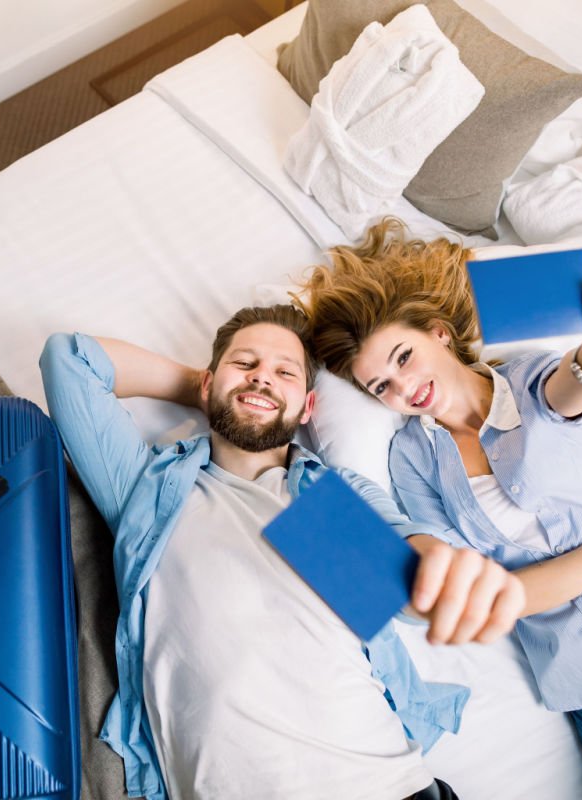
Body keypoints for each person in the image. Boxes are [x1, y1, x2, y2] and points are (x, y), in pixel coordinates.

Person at [39, 304, 524, 800]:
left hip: (384, 786)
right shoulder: (147, 491)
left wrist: (438, 573)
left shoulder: (320, 498)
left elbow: (406, 581)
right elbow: (70, 361)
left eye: (284, 373)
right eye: (244, 363)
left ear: (309, 408)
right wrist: (218, 392)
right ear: (207, 385)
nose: (262, 378)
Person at [301, 218, 582, 800]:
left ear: (440, 333)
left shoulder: (528, 379)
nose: (401, 390)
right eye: (380, 388)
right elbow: (499, 593)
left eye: (403, 358)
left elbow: (575, 387)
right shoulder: (412, 460)